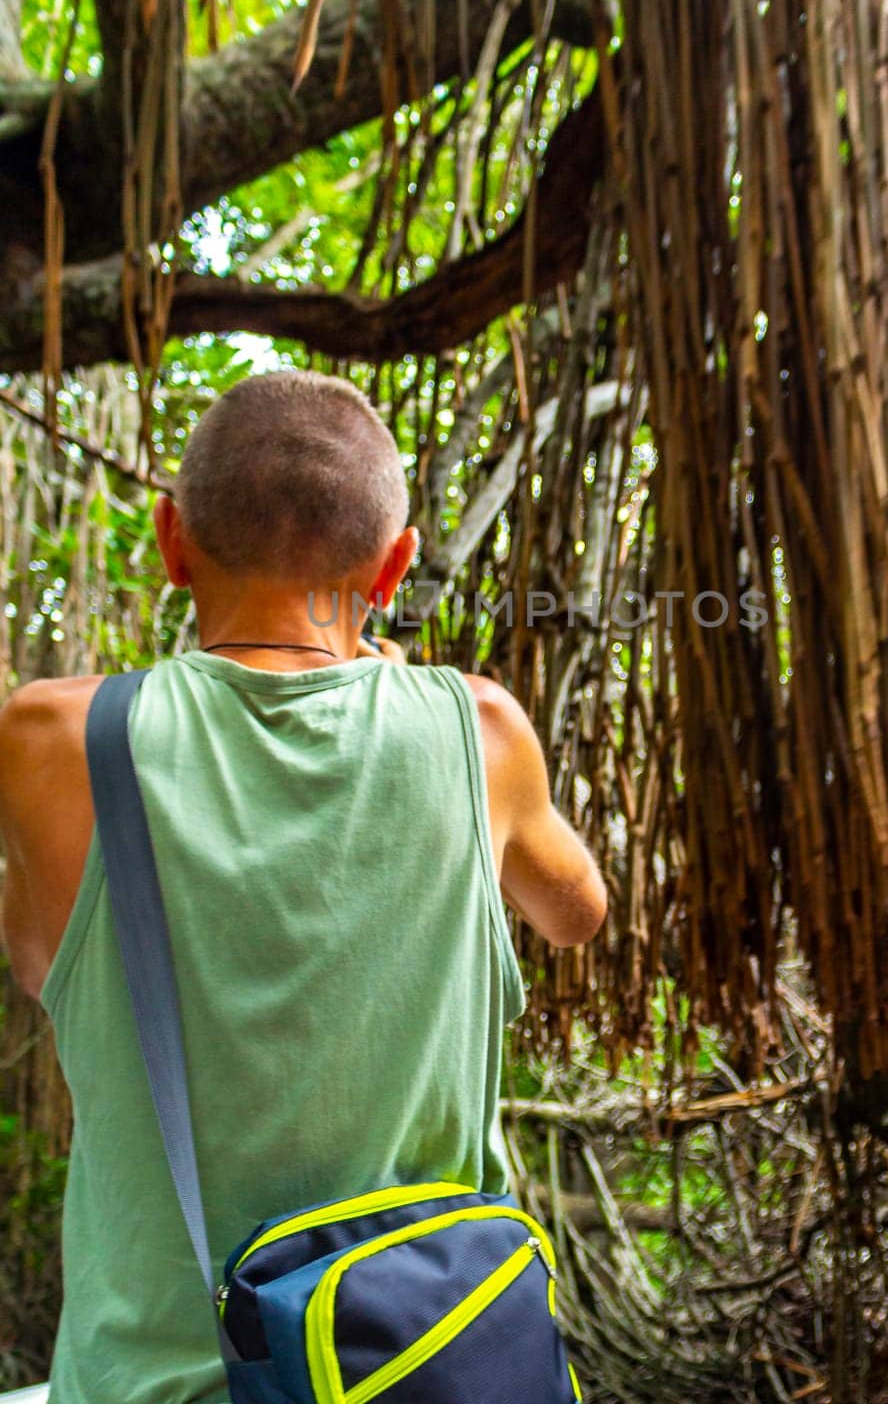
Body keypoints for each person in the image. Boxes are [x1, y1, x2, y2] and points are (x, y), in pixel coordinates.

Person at [0, 369, 606, 1404]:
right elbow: (576, 911)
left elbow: (37, 959)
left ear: (170, 539)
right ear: (394, 566)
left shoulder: (52, 740)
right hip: (427, 1375)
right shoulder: (481, 731)